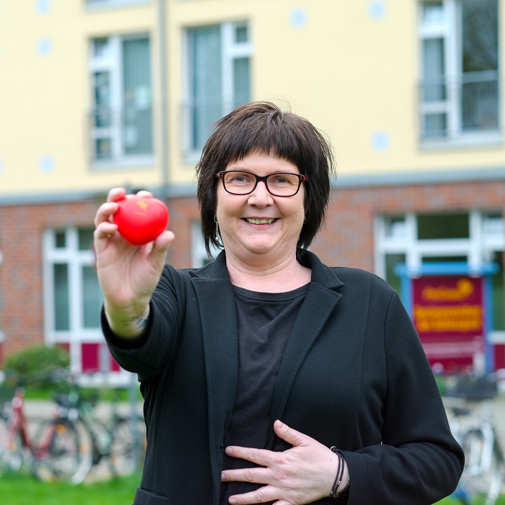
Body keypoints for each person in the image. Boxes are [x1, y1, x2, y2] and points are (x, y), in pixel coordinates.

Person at [94, 101, 464, 505]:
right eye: (239, 178)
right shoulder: (176, 295)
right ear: (213, 196)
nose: (259, 197)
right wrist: (125, 306)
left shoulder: (370, 304)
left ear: (309, 197)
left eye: (282, 180)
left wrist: (341, 474)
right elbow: (138, 343)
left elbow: (437, 459)